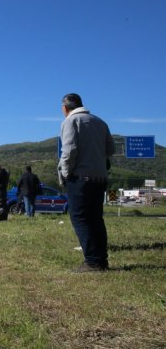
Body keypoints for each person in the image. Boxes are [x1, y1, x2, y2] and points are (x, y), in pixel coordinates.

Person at [58, 93, 115, 272]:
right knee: (96, 218)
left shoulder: (71, 121)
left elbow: (69, 151)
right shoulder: (100, 122)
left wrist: (66, 174)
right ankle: (101, 260)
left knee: (80, 218)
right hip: (99, 177)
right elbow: (111, 149)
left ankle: (92, 261)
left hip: (80, 178)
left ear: (65, 108)